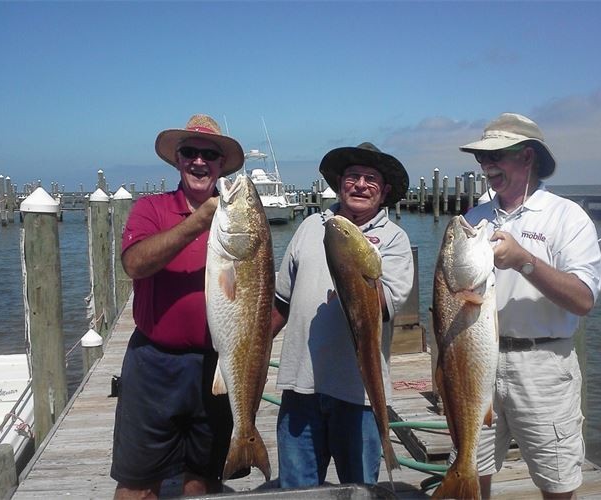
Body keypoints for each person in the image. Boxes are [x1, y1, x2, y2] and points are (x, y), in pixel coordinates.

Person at [460, 112, 601, 499]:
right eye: (481, 159)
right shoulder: (473, 219)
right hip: (476, 364)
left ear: (527, 157)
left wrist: (525, 261)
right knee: (471, 471)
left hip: (542, 367)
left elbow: (584, 299)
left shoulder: (566, 217)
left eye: (496, 156)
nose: (487, 166)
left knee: (557, 480)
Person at [110, 114, 246, 498]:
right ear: (177, 160)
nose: (199, 161)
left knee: (202, 477)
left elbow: (257, 287)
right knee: (137, 482)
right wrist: (197, 223)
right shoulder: (150, 209)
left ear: (221, 164)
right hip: (154, 366)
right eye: (190, 152)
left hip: (214, 367)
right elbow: (134, 264)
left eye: (209, 154)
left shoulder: (238, 219)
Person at [271, 142, 415, 487]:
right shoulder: (308, 227)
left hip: (359, 395)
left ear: (385, 191)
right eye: (352, 176)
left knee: (360, 489)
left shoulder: (394, 240)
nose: (360, 185)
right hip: (299, 387)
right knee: (296, 490)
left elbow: (383, 306)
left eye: (370, 178)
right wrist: (254, 351)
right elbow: (281, 302)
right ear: (339, 183)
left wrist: (355, 266)